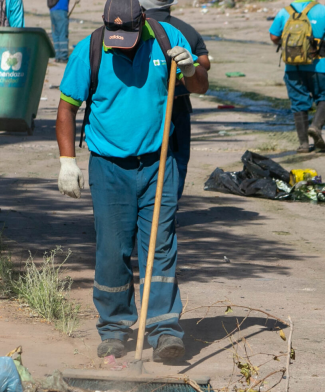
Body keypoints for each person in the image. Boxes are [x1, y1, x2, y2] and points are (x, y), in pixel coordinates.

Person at [55, 0, 208, 361]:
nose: (121, 40)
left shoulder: (166, 37)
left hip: (159, 162)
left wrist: (190, 69)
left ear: (143, 21)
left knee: (160, 244)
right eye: (115, 35)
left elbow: (200, 87)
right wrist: (66, 162)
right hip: (109, 167)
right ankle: (114, 328)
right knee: (112, 248)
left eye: (129, 34)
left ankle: (164, 329)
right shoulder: (91, 48)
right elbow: (67, 107)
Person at [141, 0, 210, 200]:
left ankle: (151, 208)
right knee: (178, 160)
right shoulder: (185, 29)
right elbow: (204, 63)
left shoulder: (135, 29)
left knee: (147, 158)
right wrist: (190, 68)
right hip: (178, 104)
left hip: (146, 106)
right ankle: (169, 208)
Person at [268, 0, 325, 153]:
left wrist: (292, 44)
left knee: (298, 102)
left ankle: (303, 144)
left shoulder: (285, 12)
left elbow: (273, 37)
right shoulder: (323, 10)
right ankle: (316, 126)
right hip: (319, 66)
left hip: (292, 67)